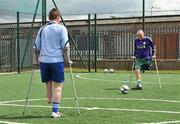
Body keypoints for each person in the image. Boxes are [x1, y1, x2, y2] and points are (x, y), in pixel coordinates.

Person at [34, 8, 72, 118]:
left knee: (48, 82)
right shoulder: (61, 28)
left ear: (49, 18)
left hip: (44, 61)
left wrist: (36, 61)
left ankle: (49, 98)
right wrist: (68, 60)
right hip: (56, 60)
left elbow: (36, 48)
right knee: (58, 86)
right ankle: (55, 111)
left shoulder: (42, 29)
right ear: (58, 18)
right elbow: (66, 46)